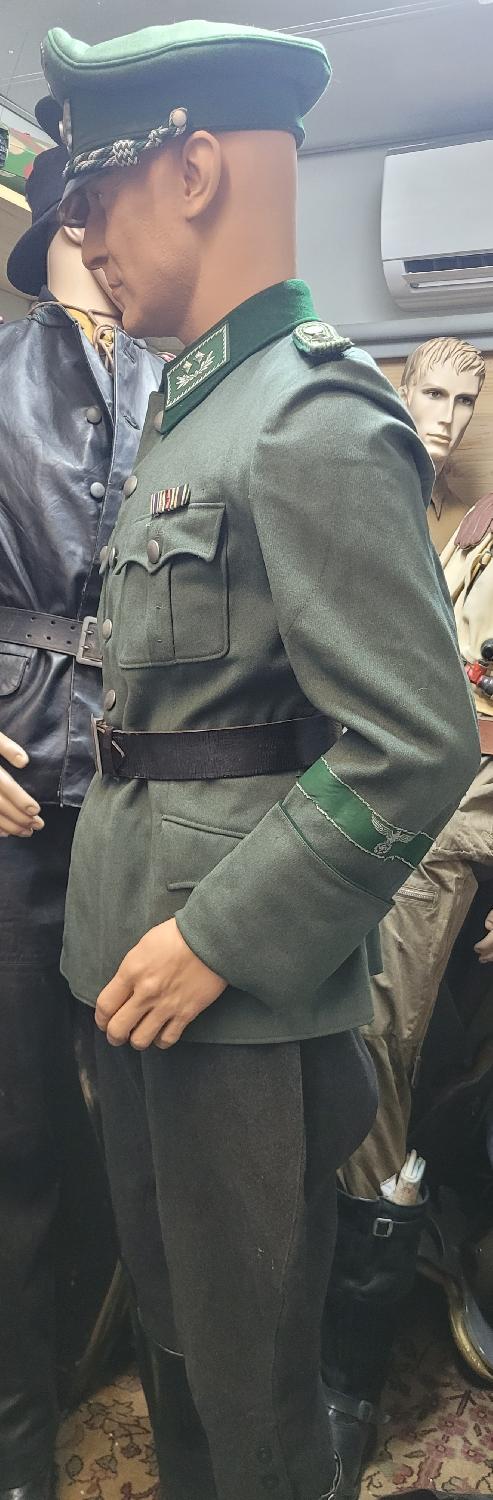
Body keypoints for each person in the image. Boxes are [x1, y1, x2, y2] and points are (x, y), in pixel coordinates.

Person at [41, 19, 479, 1500]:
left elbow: (414, 743)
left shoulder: (308, 417)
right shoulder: (195, 411)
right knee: (176, 1347)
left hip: (227, 998)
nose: (85, 236)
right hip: (137, 970)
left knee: (248, 1393)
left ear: (193, 169)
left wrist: (216, 939)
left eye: (97, 195)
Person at [0, 103, 162, 1500]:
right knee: (16, 1132)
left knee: (156, 1123)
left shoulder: (197, 384)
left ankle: (129, 1376)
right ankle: (17, 1444)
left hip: (154, 798)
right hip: (14, 804)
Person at [322, 485, 493, 1489]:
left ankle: (349, 1374)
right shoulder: (463, 529)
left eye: (464, 406)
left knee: (383, 1028)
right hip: (410, 780)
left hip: (465, 808)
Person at [398, 336, 485, 551]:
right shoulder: (360, 497)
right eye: (434, 394)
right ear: (403, 399)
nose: (448, 417)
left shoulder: (467, 525)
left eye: (465, 400)